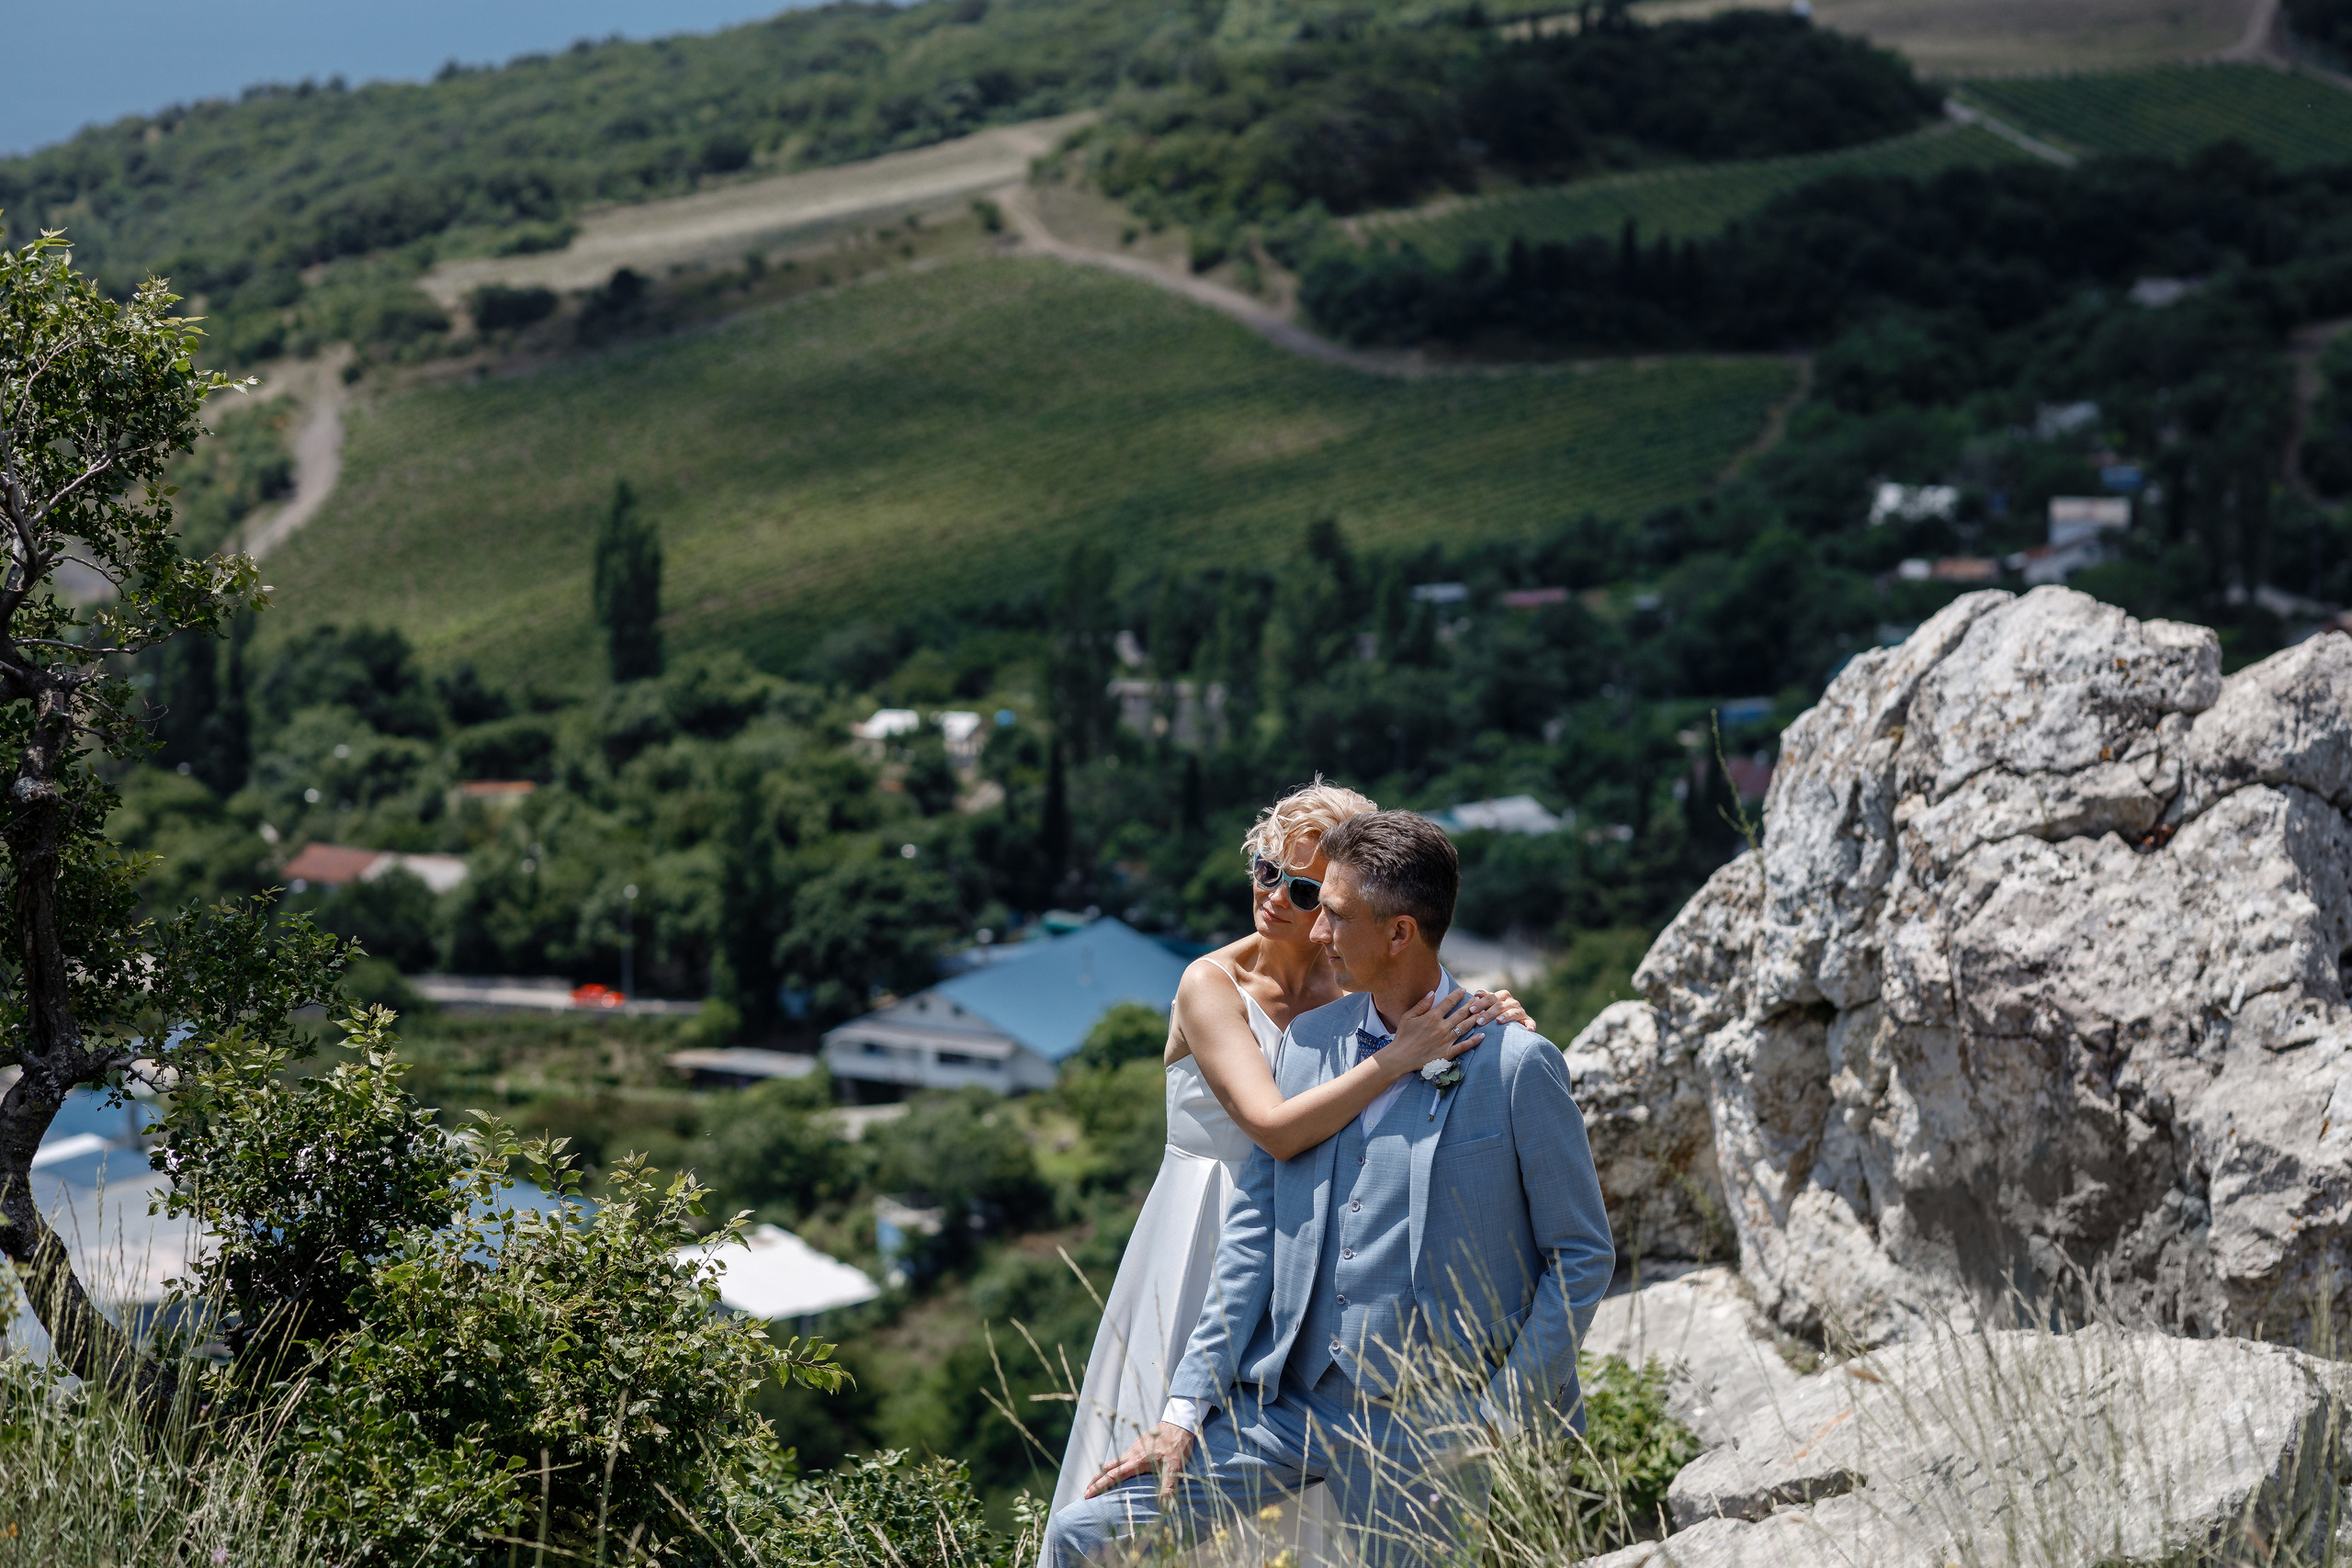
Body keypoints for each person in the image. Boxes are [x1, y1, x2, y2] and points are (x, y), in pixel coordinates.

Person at [1043, 809, 1614, 1568]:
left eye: (1334, 913)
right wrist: (1182, 1411)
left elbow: (1580, 1254)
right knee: (1083, 1536)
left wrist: (1496, 1419)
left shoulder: (1514, 1062)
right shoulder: (1310, 1043)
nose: (1317, 932)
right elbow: (1254, 1230)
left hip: (1431, 1424)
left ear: (1400, 932)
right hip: (1288, 1404)